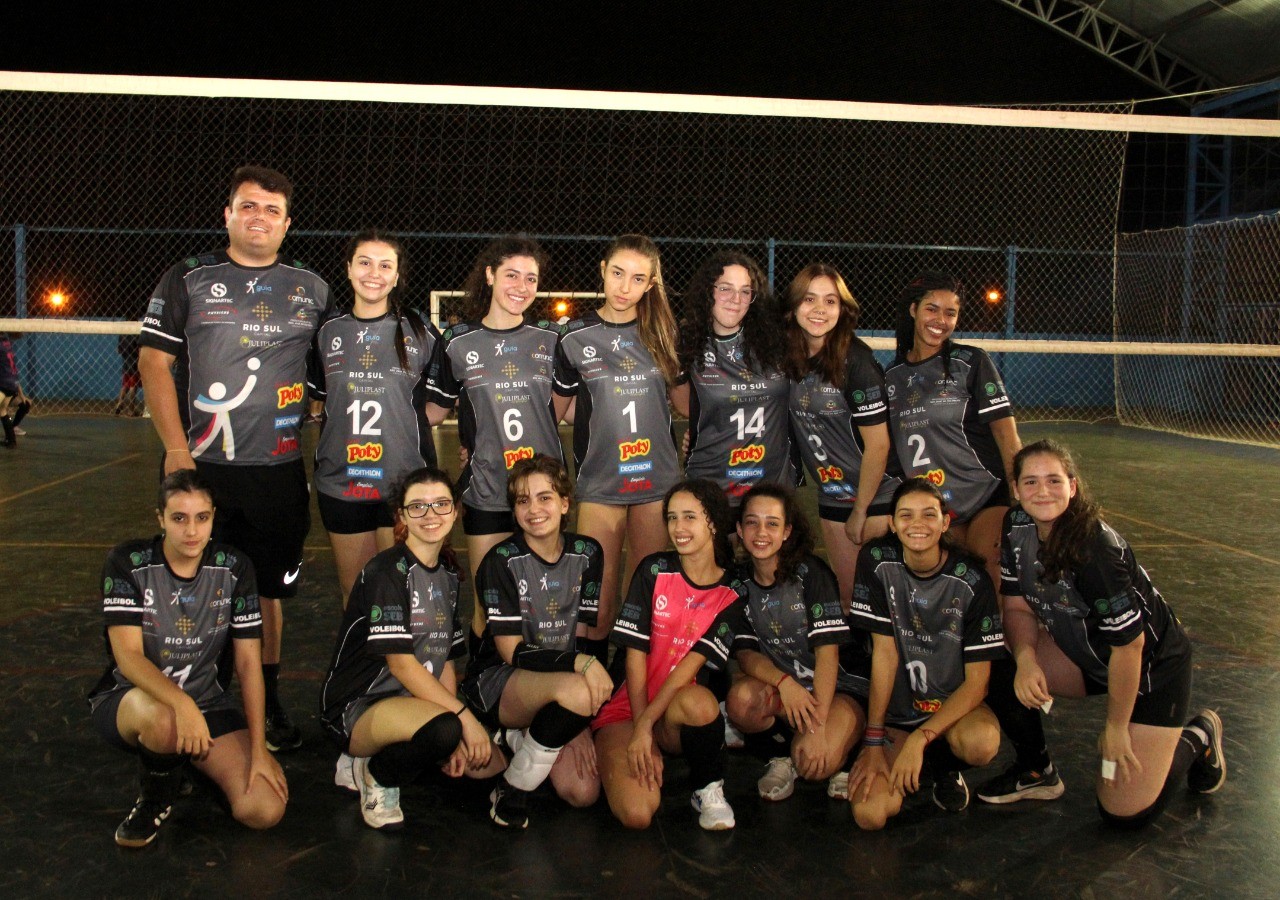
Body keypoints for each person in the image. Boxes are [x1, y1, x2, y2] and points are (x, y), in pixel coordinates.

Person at [138, 165, 331, 753]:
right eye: (248, 206)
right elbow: (153, 362)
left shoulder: (311, 287)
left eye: (272, 210)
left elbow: (330, 371)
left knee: (268, 594)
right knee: (192, 586)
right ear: (227, 214)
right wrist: (176, 448)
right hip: (203, 470)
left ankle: (265, 699)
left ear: (287, 223)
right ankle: (193, 692)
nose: (259, 218)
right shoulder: (190, 277)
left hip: (276, 472)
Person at [976, 439, 1226, 826]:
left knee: (1123, 812)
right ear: (1016, 489)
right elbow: (1016, 606)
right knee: (991, 650)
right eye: (1030, 482)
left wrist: (1114, 728)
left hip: (1150, 669)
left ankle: (1199, 735)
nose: (1042, 491)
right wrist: (1026, 660)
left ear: (1072, 487)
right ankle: (1036, 771)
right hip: (1088, 655)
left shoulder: (1094, 551)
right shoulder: (1016, 524)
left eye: (1054, 481)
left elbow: (1131, 648)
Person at [87, 470, 288, 847]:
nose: (191, 530)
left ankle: (183, 763)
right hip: (133, 699)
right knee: (167, 721)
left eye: (202, 518)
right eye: (179, 518)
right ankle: (155, 798)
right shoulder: (127, 563)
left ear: (213, 517)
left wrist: (259, 750)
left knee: (263, 810)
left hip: (208, 702)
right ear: (160, 518)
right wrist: (181, 704)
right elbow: (128, 656)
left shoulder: (234, 567)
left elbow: (248, 663)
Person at [318, 467, 498, 831]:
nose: (430, 515)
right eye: (418, 506)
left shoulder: (447, 573)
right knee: (447, 729)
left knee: (491, 767)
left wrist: (458, 733)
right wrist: (462, 720)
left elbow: (444, 659)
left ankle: (414, 743)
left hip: (409, 701)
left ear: (455, 510)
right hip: (358, 705)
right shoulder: (388, 572)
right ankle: (376, 773)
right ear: (400, 515)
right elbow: (401, 666)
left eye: (440, 504)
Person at [423, 236, 570, 641]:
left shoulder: (551, 341)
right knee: (488, 602)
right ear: (489, 275)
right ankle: (483, 686)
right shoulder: (456, 342)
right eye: (511, 275)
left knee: (542, 601)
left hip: (542, 492)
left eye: (530, 278)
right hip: (486, 488)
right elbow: (433, 411)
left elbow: (567, 408)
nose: (521, 287)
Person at [460, 454, 608, 829]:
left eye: (545, 497)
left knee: (583, 791)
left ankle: (526, 736)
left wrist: (581, 724)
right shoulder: (501, 561)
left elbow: (585, 638)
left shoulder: (588, 553)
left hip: (562, 684)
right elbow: (512, 652)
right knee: (578, 690)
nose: (534, 508)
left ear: (564, 503)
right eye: (523, 500)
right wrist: (579, 672)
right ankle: (513, 787)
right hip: (501, 681)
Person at [846, 477, 1004, 829]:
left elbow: (978, 684)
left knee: (981, 743)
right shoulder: (876, 561)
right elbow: (884, 655)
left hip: (949, 709)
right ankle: (905, 758)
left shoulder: (972, 580)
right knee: (869, 816)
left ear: (946, 522)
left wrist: (921, 738)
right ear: (891, 523)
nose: (917, 524)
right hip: (899, 712)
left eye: (929, 515)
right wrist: (873, 740)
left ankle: (943, 768)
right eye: (906, 515)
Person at [592, 479, 748, 831]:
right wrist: (637, 726)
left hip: (672, 711)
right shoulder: (653, 570)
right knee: (637, 813)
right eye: (672, 517)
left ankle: (707, 788)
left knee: (703, 704)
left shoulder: (733, 589)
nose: (679, 528)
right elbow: (633, 655)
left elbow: (689, 665)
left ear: (713, 522)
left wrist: (648, 726)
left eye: (690, 517)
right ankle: (611, 749)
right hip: (627, 706)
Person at [554, 235, 682, 658]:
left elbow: (684, 405)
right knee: (596, 602)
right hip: (601, 482)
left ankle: (630, 696)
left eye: (638, 278)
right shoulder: (574, 335)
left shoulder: (664, 333)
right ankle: (590, 694)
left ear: (651, 285)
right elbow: (558, 411)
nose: (625, 287)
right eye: (618, 273)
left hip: (657, 482)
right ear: (603, 270)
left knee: (641, 600)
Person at [312, 230, 439, 607]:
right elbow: (318, 401)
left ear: (397, 276)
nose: (374, 273)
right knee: (356, 594)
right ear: (348, 268)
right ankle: (365, 667)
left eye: (386, 265)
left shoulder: (420, 333)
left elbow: (439, 404)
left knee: (404, 593)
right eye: (364, 262)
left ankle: (407, 667)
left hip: (403, 483)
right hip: (342, 482)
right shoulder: (327, 332)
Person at [725, 484, 869, 802]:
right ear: (739, 528)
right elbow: (746, 654)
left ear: (787, 531)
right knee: (740, 702)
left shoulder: (812, 575)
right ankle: (780, 758)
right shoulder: (738, 583)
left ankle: (848, 753)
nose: (761, 532)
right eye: (752, 522)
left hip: (840, 684)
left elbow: (828, 656)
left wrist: (817, 726)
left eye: (772, 523)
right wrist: (784, 683)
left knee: (817, 763)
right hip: (790, 687)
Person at [883, 271, 1021, 593]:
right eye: (932, 309)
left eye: (951, 312)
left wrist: (1020, 500)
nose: (941, 320)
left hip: (985, 494)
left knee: (988, 584)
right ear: (913, 310)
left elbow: (1006, 436)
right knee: (951, 590)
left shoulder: (970, 362)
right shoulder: (890, 378)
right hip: (936, 507)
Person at [781, 263, 898, 608]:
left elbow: (879, 444)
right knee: (849, 597)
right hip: (831, 494)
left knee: (879, 601)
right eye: (809, 299)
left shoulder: (856, 362)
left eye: (830, 301)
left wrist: (861, 510)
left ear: (842, 309)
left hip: (873, 496)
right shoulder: (790, 357)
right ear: (793, 307)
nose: (819, 309)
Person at [671, 252, 794, 509]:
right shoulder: (687, 342)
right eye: (725, 289)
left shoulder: (778, 341)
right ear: (709, 291)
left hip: (769, 483)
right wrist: (698, 428)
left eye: (745, 291)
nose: (735, 300)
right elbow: (686, 407)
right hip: (712, 480)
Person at [0, 332, 31, 446]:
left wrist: (21, 395)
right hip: (11, 385)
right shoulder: (7, 344)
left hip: (4, 384)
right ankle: (11, 440)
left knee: (4, 410)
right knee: (2, 411)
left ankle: (11, 436)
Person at [115, 333, 143, 416]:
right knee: (133, 386)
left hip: (126, 362)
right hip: (135, 362)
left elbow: (118, 350)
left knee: (125, 385)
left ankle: (119, 403)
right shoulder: (137, 334)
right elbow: (140, 349)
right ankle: (131, 410)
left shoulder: (122, 334)